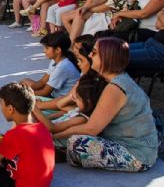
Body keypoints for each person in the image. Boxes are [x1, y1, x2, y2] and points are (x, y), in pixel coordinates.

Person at [57, 38, 158, 172]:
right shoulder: (117, 80)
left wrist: (52, 136)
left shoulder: (116, 88)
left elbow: (91, 129)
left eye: (94, 52)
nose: (90, 55)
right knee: (72, 131)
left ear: (107, 57)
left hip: (137, 154)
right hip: (134, 145)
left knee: (76, 143)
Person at [0, 82, 54, 187]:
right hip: (43, 182)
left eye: (1, 104)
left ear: (10, 109)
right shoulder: (42, 128)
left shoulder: (14, 135)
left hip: (21, 184)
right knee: (3, 160)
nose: (1, 109)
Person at [32, 71, 108, 148]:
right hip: (47, 132)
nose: (75, 100)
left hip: (54, 143)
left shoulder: (82, 119)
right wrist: (71, 96)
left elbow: (53, 128)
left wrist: (34, 107)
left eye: (78, 98)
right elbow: (60, 105)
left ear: (87, 101)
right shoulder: (77, 110)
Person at [20, 32, 80, 98]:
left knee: (24, 98)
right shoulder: (56, 60)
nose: (44, 51)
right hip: (52, 93)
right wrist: (27, 89)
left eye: (47, 48)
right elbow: (42, 81)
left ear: (58, 50)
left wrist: (24, 93)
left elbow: (45, 92)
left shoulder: (62, 67)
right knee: (24, 82)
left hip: (58, 99)